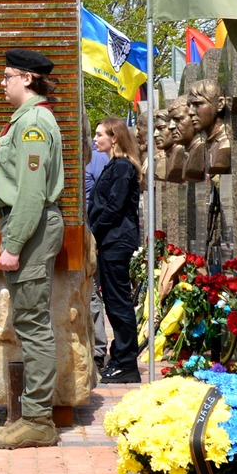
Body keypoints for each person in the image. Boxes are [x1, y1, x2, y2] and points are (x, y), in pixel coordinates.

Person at [0, 47, 66, 450]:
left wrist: (15, 244)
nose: (2, 83)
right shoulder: (26, 120)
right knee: (29, 323)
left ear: (27, 79)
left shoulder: (33, 123)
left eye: (7, 76)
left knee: (33, 326)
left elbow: (32, 193)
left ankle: (37, 420)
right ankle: (33, 416)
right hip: (29, 225)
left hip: (31, 227)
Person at [88, 118, 144, 382]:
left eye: (100, 134)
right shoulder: (114, 165)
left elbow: (114, 207)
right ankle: (120, 357)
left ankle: (126, 363)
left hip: (117, 240)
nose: (95, 139)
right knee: (113, 302)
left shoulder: (122, 166)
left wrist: (94, 231)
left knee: (119, 303)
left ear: (115, 138)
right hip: (111, 240)